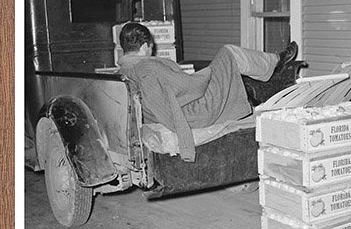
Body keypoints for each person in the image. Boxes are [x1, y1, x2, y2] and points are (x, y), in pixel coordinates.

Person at [116, 22, 303, 162]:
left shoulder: (123, 70)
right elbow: (190, 87)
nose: (151, 52)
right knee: (228, 53)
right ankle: (275, 62)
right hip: (194, 113)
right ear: (143, 47)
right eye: (150, 48)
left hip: (176, 112)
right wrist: (208, 73)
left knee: (224, 70)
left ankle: (252, 86)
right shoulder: (148, 68)